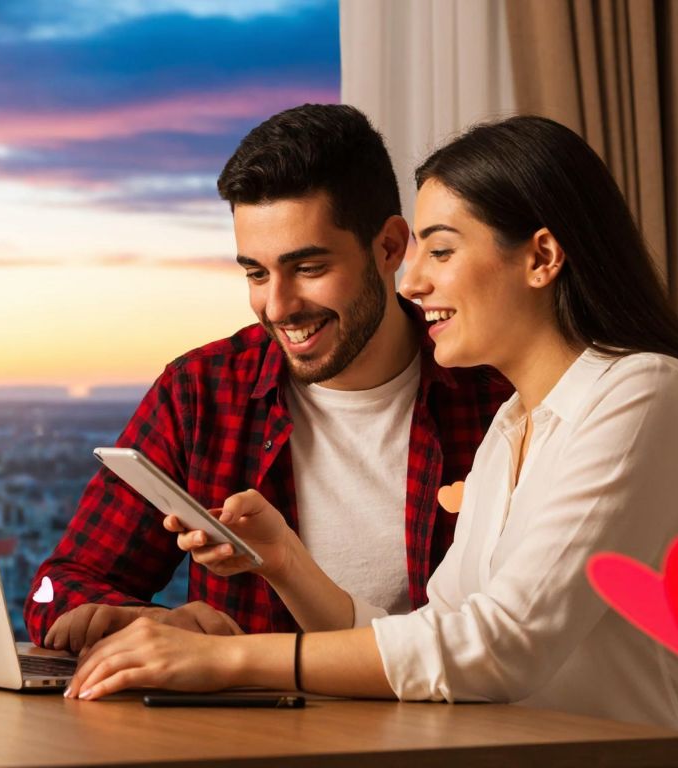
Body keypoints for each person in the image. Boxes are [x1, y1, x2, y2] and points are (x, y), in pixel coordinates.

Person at [64, 115, 678, 767]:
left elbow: (498, 648)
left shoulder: (644, 393)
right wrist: (286, 564)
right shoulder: (513, 429)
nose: (411, 280)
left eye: (439, 251)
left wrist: (226, 662)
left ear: (541, 258)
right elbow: (435, 636)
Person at [26, 104, 511, 652]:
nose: (278, 307)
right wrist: (141, 621)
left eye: (308, 269)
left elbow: (502, 643)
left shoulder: (497, 395)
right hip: (248, 736)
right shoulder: (200, 392)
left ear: (390, 248)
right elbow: (55, 587)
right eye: (256, 273)